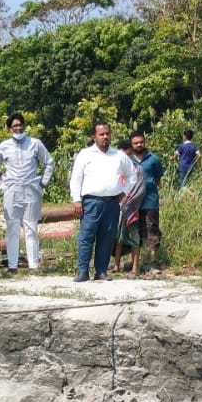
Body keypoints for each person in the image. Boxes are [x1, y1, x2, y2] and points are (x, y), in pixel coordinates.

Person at [69, 121, 137, 282]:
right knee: (86, 237)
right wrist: (77, 200)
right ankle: (83, 272)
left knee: (107, 237)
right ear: (94, 136)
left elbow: (132, 174)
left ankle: (101, 271)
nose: (105, 137)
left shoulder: (119, 155)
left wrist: (124, 192)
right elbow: (76, 178)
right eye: (101, 134)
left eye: (107, 133)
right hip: (91, 202)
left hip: (112, 203)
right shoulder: (85, 154)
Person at [0, 113, 54, 275]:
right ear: (9, 129)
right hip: (11, 190)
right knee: (12, 228)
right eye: (14, 126)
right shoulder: (4, 146)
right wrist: (0, 184)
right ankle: (13, 265)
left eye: (20, 125)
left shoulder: (35, 143)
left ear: (24, 126)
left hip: (31, 189)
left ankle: (33, 265)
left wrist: (43, 182)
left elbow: (49, 162)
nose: (18, 128)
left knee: (31, 228)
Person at [129, 131, 164, 272]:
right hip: (134, 202)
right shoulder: (128, 160)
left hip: (150, 200)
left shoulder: (153, 159)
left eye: (141, 142)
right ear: (131, 144)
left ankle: (152, 259)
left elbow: (157, 179)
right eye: (136, 143)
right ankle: (134, 261)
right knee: (134, 230)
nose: (139, 145)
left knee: (152, 227)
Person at [114, 140, 146, 275]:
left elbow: (140, 190)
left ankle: (134, 268)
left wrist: (127, 202)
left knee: (134, 238)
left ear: (131, 154)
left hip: (132, 209)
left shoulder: (138, 169)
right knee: (118, 238)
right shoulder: (115, 169)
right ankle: (116, 266)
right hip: (117, 209)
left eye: (126, 155)